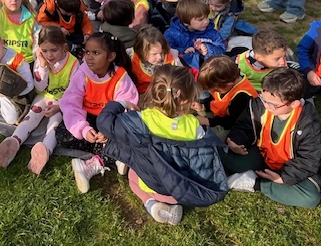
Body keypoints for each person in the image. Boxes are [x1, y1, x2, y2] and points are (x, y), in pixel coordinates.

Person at [97, 65, 227, 225]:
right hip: (178, 192)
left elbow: (104, 122)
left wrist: (123, 102)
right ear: (186, 100)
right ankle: (167, 205)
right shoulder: (194, 126)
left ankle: (150, 204)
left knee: (132, 177)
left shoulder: (140, 119)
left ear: (153, 92)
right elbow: (204, 162)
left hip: (151, 184)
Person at [223, 68, 321, 209]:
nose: (266, 105)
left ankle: (256, 183)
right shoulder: (259, 104)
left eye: (274, 105)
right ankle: (214, 154)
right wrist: (235, 140)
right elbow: (244, 125)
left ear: (294, 104)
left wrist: (282, 177)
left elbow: (309, 160)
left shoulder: (308, 124)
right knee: (234, 162)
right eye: (263, 99)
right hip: (263, 154)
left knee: (311, 198)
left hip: (289, 166)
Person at [57, 33, 139, 193]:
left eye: (96, 53)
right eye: (87, 52)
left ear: (111, 56)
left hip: (112, 120)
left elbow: (129, 106)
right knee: (62, 134)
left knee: (130, 133)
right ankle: (113, 154)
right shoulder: (82, 74)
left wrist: (109, 130)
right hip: (88, 118)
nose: (89, 57)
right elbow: (71, 104)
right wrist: (84, 129)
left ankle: (93, 162)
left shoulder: (120, 77)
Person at [0, 27, 80, 174]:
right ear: (40, 49)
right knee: (30, 118)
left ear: (64, 47)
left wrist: (59, 107)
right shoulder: (41, 60)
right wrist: (42, 65)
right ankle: (14, 141)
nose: (49, 55)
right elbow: (39, 85)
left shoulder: (74, 64)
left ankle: (45, 148)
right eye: (45, 50)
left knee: (54, 125)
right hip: (43, 96)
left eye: (54, 50)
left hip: (62, 100)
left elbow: (73, 92)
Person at [196, 55, 258, 139]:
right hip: (218, 117)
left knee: (211, 135)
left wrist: (207, 121)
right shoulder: (224, 84)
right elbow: (214, 98)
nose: (212, 92)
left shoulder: (243, 96)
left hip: (229, 125)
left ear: (229, 83)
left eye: (215, 89)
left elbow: (231, 122)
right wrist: (204, 106)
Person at [164, 0, 226, 70]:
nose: (206, 21)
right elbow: (166, 51)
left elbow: (222, 51)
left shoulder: (212, 33)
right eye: (200, 19)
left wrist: (207, 49)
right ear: (186, 22)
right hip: (182, 72)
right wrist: (183, 51)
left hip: (206, 71)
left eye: (206, 17)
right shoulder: (172, 34)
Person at [0, 0, 39, 65]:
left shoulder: (31, 16)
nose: (14, 0)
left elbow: (37, 37)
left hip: (27, 60)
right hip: (5, 60)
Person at [130, 25, 180, 94]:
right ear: (141, 52)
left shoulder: (173, 60)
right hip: (142, 94)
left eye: (162, 52)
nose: (160, 57)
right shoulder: (131, 60)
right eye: (154, 54)